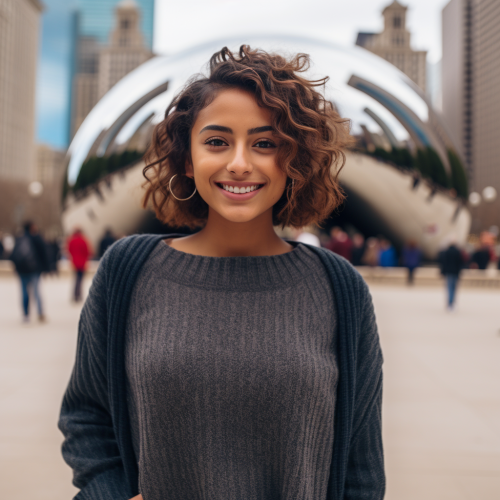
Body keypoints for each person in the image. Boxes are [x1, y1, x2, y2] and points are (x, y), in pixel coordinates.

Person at [59, 46, 385, 500]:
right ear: (188, 160)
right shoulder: (127, 271)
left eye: (265, 143)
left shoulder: (339, 287)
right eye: (217, 141)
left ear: (294, 161)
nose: (238, 162)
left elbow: (361, 468)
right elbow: (86, 417)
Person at [10, 221, 49, 322]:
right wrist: (46, 268)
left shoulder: (20, 239)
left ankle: (26, 314)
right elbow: (43, 254)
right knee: (36, 291)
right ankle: (40, 313)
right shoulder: (36, 238)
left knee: (24, 292)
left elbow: (12, 255)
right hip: (34, 269)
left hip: (22, 270)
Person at [67, 229, 91, 302]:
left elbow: (69, 250)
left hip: (75, 262)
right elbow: (87, 251)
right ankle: (79, 294)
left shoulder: (71, 240)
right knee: (80, 279)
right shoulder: (84, 240)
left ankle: (75, 294)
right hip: (82, 262)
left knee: (76, 279)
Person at [439, 240, 464, 310]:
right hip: (455, 272)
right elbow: (460, 263)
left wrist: (442, 272)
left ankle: (450, 303)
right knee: (454, 288)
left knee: (449, 288)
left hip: (449, 272)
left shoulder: (446, 252)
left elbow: (443, 263)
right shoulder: (458, 252)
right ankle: (452, 303)